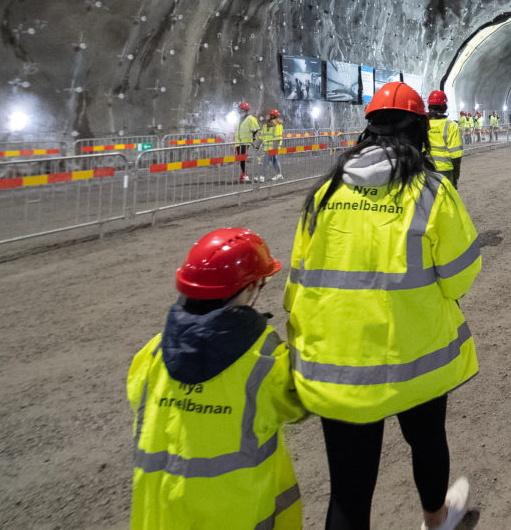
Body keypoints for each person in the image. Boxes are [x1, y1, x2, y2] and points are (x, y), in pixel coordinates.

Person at [285, 81, 479, 530]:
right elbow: (461, 275)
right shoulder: (431, 192)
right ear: (420, 131)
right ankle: (436, 519)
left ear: (367, 129)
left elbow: (298, 282)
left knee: (349, 495)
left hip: (339, 364)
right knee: (427, 441)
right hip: (415, 356)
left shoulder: (325, 193)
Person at [128, 228, 304, 529]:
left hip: (162, 518)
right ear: (249, 289)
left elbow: (137, 399)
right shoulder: (264, 357)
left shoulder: (152, 354)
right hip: (237, 514)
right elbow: (298, 403)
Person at [426, 90, 463, 189]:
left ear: (429, 106)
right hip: (445, 170)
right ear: (445, 107)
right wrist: (455, 175)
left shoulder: (424, 124)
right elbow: (456, 155)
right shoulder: (451, 126)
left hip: (427, 169)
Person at [234, 102, 261, 182]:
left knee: (243, 158)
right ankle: (243, 174)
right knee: (240, 158)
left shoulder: (251, 119)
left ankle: (245, 175)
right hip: (238, 142)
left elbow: (256, 129)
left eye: (241, 109)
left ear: (245, 110)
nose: (239, 111)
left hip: (246, 142)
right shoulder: (239, 119)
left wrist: (252, 138)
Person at [259, 109, 284, 181]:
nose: (270, 116)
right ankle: (279, 174)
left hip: (273, 147)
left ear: (275, 116)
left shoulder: (278, 125)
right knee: (274, 161)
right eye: (270, 115)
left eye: (271, 115)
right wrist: (260, 145)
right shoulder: (266, 125)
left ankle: (262, 176)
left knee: (265, 161)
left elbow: (278, 137)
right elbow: (263, 136)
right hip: (267, 147)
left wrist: (275, 148)